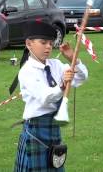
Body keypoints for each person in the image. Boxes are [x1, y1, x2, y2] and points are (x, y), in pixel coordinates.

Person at [13, 21, 88, 171]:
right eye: (43, 42)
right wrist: (62, 85)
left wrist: (73, 59)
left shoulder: (56, 65)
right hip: (36, 129)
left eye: (50, 43)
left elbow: (81, 77)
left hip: (53, 128)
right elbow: (44, 97)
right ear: (29, 44)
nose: (48, 46)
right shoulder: (27, 71)